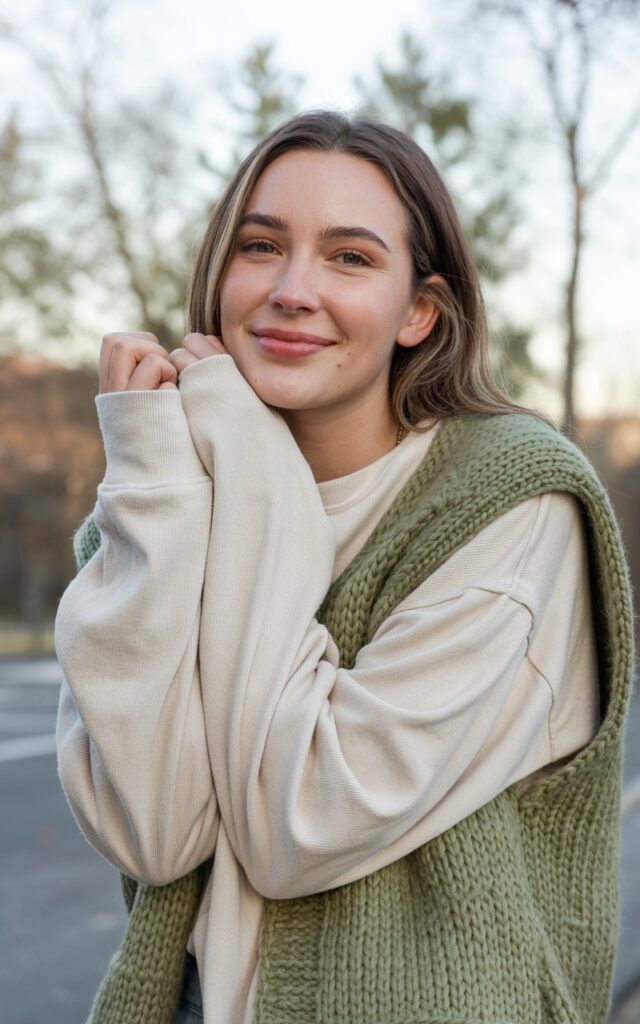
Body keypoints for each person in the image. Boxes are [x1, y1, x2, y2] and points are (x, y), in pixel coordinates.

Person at [54, 110, 634, 1024]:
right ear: (220, 275)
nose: (292, 289)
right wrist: (161, 483)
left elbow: (299, 826)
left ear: (420, 311)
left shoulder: (513, 505)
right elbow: (153, 834)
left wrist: (243, 445)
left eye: (350, 258)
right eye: (261, 245)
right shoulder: (162, 491)